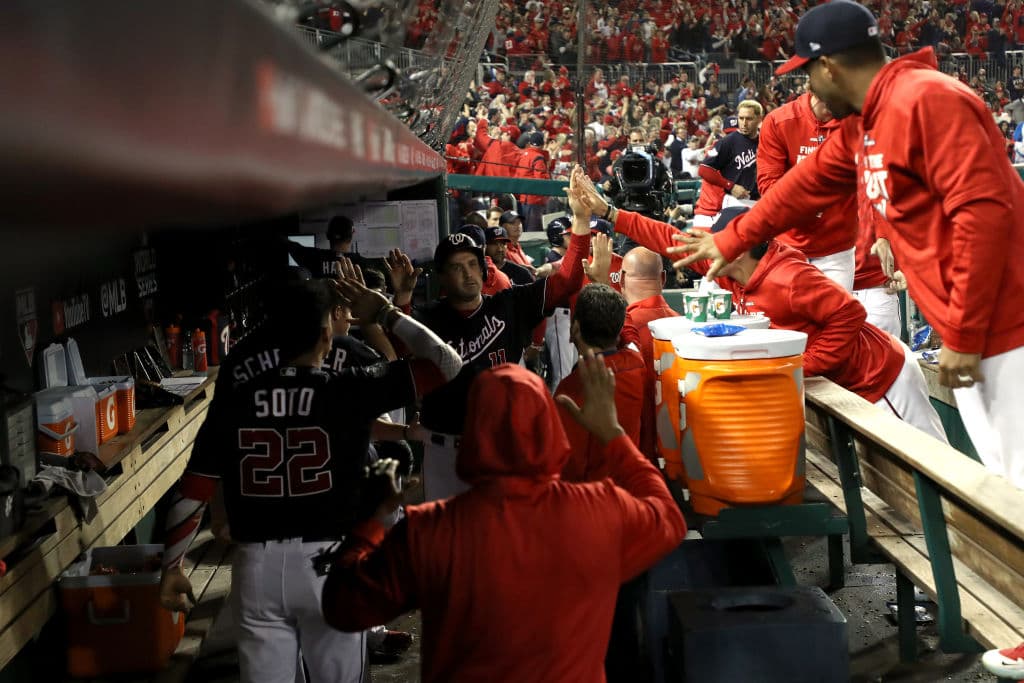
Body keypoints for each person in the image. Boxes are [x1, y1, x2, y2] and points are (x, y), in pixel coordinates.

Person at [670, 0, 1024, 490]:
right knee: (1006, 487)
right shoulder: (868, 121)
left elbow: (984, 215)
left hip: (1008, 328)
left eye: (807, 74)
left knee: (1016, 488)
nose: (807, 87)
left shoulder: (926, 99)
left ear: (828, 66)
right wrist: (731, 238)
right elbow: (804, 185)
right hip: (984, 330)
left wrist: (963, 334)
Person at [158, 277, 464, 683]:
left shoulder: (237, 398)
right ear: (326, 335)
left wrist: (172, 566)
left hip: (257, 566)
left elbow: (193, 490)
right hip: (330, 561)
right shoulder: (348, 388)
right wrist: (387, 313)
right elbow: (447, 363)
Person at [320, 355, 687, 683]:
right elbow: (669, 518)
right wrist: (613, 435)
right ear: (549, 426)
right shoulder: (599, 509)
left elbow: (343, 607)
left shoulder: (427, 529)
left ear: (474, 432)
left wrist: (372, 519)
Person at [577, 191, 950, 443]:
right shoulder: (733, 266)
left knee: (937, 471)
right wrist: (610, 213)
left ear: (738, 248)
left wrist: (802, 364)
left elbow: (850, 313)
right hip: (845, 385)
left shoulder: (789, 277)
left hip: (880, 376)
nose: (709, 249)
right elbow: (671, 238)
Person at [391, 168, 593, 500]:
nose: (467, 273)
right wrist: (401, 300)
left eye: (471, 264)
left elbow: (567, 281)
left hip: (503, 446)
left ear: (483, 269)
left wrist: (581, 222)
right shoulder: (428, 317)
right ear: (442, 278)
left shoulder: (509, 304)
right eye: (456, 267)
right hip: (443, 450)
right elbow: (399, 349)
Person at [757, 91, 858, 290]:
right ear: (816, 92)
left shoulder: (854, 121)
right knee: (789, 319)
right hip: (787, 245)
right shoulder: (780, 121)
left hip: (836, 247)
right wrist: (806, 205)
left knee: (835, 317)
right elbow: (768, 185)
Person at [555, 284, 646, 482]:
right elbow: (630, 334)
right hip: (632, 488)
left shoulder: (569, 390)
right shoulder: (636, 364)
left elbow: (569, 465)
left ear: (576, 327)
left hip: (591, 500)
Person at [618, 246, 681, 459]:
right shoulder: (686, 327)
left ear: (621, 279)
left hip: (636, 459)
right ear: (663, 278)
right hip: (682, 458)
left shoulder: (618, 332)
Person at [692, 102, 763, 228]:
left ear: (759, 119)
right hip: (730, 203)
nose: (744, 123)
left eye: (749, 119)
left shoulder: (765, 139)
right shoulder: (727, 142)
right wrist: (731, 186)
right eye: (741, 118)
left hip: (754, 201)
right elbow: (704, 170)